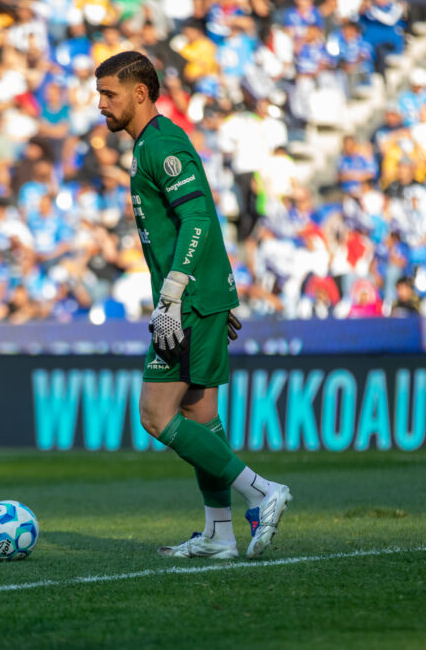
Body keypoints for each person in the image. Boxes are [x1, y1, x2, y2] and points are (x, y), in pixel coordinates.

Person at [94, 51, 291, 560]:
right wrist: (216, 291)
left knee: (156, 415)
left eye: (109, 94)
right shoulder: (149, 146)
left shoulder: (161, 144)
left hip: (187, 300)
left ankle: (262, 491)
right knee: (199, 416)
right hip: (203, 294)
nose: (101, 105)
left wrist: (176, 292)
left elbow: (199, 218)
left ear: (140, 93)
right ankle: (220, 534)